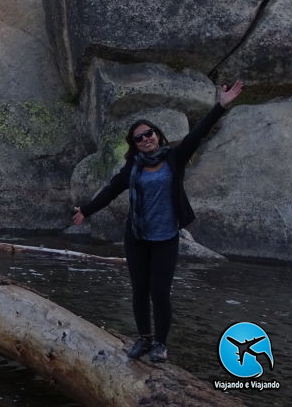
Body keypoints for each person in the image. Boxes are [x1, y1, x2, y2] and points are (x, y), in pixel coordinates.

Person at [72, 80, 244, 363]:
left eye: (148, 133)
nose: (145, 139)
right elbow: (111, 189)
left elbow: (198, 134)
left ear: (158, 135)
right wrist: (86, 210)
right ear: (134, 145)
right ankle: (144, 339)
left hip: (165, 237)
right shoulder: (132, 167)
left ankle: (161, 345)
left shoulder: (175, 157)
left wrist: (221, 105)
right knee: (140, 290)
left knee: (160, 292)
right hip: (137, 238)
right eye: (138, 138)